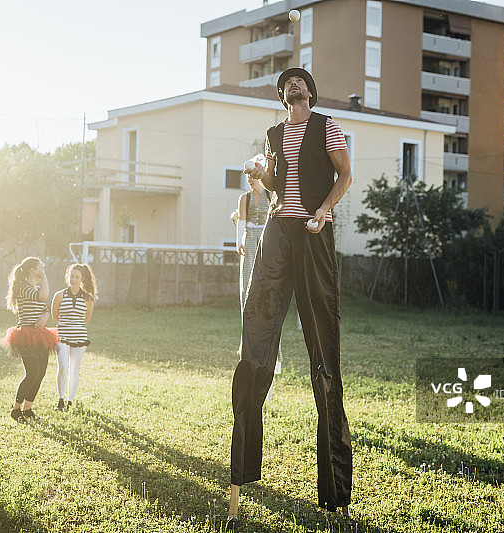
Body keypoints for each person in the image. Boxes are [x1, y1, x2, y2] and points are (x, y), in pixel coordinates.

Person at [227, 68, 353, 528]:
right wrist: (262, 174)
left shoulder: (326, 126)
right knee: (256, 336)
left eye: (299, 81)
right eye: (287, 83)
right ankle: (244, 471)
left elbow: (345, 174)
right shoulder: (274, 133)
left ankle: (335, 489)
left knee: (323, 352)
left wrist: (324, 209)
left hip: (314, 232)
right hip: (279, 231)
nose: (293, 85)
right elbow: (278, 185)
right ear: (282, 95)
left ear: (309, 92)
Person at [235, 175, 282, 388]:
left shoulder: (270, 195)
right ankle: (246, 344)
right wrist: (240, 242)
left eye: (254, 177)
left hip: (267, 243)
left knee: (267, 292)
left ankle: (273, 352)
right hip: (251, 243)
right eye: (248, 177)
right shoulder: (244, 198)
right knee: (247, 290)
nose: (251, 181)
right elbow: (242, 224)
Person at [2, 257, 57, 422]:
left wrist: (46, 316)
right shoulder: (23, 287)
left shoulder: (36, 287)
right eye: (40, 267)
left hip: (41, 336)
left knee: (40, 373)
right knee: (32, 373)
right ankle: (16, 409)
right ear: (33, 270)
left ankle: (27, 409)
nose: (42, 269)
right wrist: (45, 275)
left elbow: (45, 306)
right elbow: (42, 297)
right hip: (27, 336)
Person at [51, 263, 98, 411]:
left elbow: (87, 318)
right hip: (62, 337)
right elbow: (55, 317)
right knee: (63, 367)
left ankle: (70, 401)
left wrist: (75, 326)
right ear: (67, 277)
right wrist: (67, 326)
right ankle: (61, 400)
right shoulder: (59, 295)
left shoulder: (88, 298)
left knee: (74, 369)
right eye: (71, 276)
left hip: (80, 338)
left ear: (82, 279)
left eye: (77, 277)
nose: (74, 279)